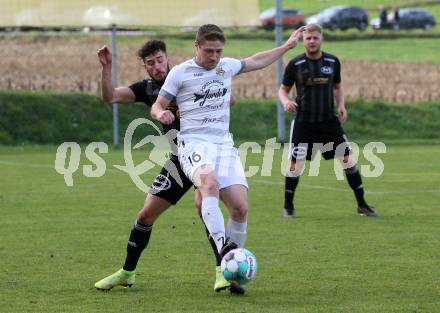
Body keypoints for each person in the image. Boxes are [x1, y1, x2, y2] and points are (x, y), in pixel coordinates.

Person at [151, 24, 305, 292]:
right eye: (208, 51)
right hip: (193, 143)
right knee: (208, 183)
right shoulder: (180, 73)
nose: (214, 57)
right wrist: (159, 114)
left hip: (223, 144)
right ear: (196, 46)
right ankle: (225, 252)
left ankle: (234, 277)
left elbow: (257, 60)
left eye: (218, 51)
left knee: (240, 208)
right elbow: (158, 104)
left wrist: (287, 47)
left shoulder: (227, 66)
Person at [94, 40, 243, 294]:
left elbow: (229, 100)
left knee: (204, 206)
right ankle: (127, 272)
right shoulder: (148, 89)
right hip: (178, 161)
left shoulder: (188, 76)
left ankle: (223, 271)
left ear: (167, 58)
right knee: (145, 215)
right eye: (150, 63)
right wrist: (107, 68)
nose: (156, 66)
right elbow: (110, 96)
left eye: (160, 60)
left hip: (204, 152)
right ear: (145, 66)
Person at [278, 23, 379, 218]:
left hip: (328, 122)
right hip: (303, 122)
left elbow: (338, 86)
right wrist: (285, 102)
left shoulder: (333, 62)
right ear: (303, 41)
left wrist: (341, 104)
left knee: (349, 161)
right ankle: (288, 206)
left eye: (315, 37)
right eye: (308, 38)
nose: (312, 41)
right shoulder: (295, 64)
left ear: (321, 39)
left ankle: (362, 205)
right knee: (295, 165)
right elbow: (283, 89)